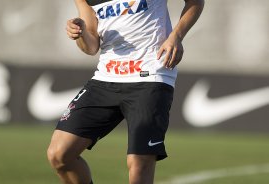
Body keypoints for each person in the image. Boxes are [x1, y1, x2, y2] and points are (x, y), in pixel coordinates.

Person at [47, 0, 204, 183]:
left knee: (139, 164)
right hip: (105, 78)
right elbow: (91, 46)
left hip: (150, 76)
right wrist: (80, 33)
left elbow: (195, 3)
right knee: (59, 154)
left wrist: (176, 36)